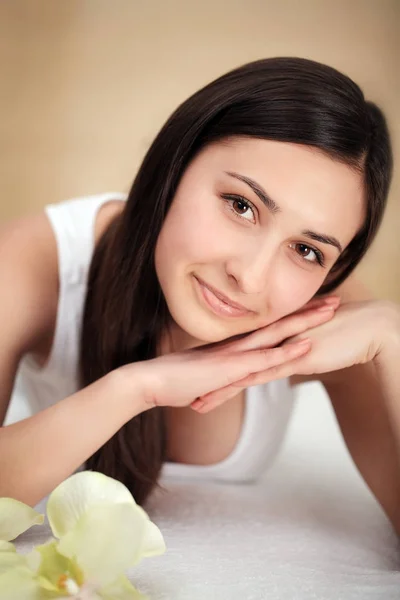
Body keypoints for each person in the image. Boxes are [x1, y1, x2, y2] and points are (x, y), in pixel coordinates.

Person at [0, 56, 399, 535]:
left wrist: (393, 334)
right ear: (176, 165)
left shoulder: (328, 311)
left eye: (306, 250)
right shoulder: (35, 259)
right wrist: (135, 389)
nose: (249, 277)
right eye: (241, 205)